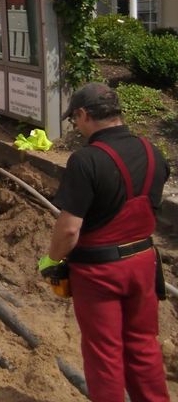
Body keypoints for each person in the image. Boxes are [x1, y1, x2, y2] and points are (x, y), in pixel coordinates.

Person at [38, 82, 170, 402]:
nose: (76, 127)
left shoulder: (86, 161)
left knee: (104, 355)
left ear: (84, 115)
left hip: (99, 273)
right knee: (144, 346)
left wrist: (52, 261)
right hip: (143, 264)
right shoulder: (153, 153)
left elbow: (69, 230)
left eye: (74, 120)